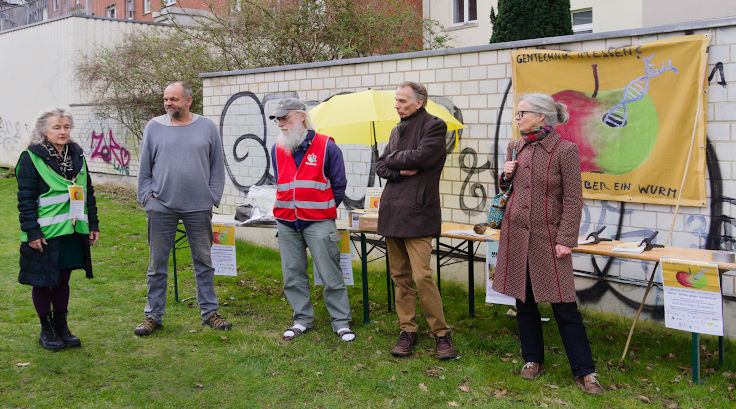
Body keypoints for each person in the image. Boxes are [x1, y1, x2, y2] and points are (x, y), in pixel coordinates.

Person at [492, 93, 604, 394]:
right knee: (524, 303)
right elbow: (507, 191)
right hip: (516, 236)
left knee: (565, 306)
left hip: (549, 240)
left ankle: (585, 372)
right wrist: (505, 176)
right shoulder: (515, 147)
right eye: (516, 114)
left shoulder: (565, 151)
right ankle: (533, 360)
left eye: (522, 113)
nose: (517, 119)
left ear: (541, 116)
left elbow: (573, 199)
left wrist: (566, 239)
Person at [135, 81, 231, 336]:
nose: (168, 104)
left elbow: (217, 166)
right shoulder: (154, 127)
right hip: (161, 207)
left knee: (203, 261)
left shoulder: (207, 127)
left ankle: (210, 313)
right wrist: (147, 198)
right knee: (157, 264)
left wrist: (211, 196)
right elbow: (144, 167)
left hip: (198, 207)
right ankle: (153, 315)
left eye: (174, 100)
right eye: (166, 99)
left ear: (189, 101)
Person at [376, 82, 457, 360]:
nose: (396, 105)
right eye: (396, 100)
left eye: (401, 101)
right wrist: (400, 169)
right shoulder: (396, 129)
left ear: (419, 102)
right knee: (400, 277)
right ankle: (407, 329)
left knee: (422, 276)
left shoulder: (435, 126)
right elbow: (380, 165)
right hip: (392, 211)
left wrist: (392, 159)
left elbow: (423, 156)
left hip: (420, 212)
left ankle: (441, 334)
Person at [269, 98, 355, 342]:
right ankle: (302, 319)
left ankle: (341, 322)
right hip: (286, 221)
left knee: (331, 274)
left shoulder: (327, 146)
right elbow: (282, 181)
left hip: (319, 221)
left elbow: (339, 184)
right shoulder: (278, 147)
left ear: (301, 117)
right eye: (278, 119)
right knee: (293, 274)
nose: (281, 123)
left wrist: (323, 208)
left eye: (285, 118)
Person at [16, 107, 100, 351]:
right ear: (44, 130)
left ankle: (62, 326)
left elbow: (88, 192)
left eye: (66, 127)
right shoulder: (31, 157)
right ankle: (47, 329)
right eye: (57, 127)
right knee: (44, 282)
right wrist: (32, 232)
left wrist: (92, 224)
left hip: (72, 230)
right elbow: (26, 199)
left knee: (63, 280)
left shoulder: (77, 154)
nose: (63, 132)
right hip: (44, 232)